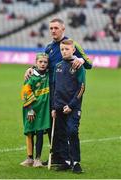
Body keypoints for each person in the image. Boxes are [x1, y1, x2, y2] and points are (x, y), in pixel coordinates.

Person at [24, 18, 92, 166]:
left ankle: (67, 158)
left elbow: (89, 63)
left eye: (56, 28)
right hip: (50, 92)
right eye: (51, 28)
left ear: (63, 29)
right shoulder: (49, 48)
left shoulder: (71, 44)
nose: (53, 30)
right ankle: (57, 156)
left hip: (69, 91)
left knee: (68, 127)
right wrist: (31, 68)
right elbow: (43, 65)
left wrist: (80, 60)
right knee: (52, 125)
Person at [52, 39, 86, 173]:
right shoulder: (58, 66)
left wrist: (71, 105)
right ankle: (66, 161)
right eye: (62, 49)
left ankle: (76, 162)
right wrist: (55, 107)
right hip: (59, 106)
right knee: (61, 134)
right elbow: (55, 87)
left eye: (67, 49)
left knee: (72, 131)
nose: (64, 51)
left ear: (73, 50)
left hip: (73, 106)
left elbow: (81, 88)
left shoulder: (78, 65)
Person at [20, 53, 50, 167]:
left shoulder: (48, 75)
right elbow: (25, 92)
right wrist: (30, 109)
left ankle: (38, 159)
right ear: (36, 63)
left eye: (45, 62)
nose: (43, 64)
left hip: (43, 110)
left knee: (40, 132)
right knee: (29, 132)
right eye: (40, 62)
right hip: (31, 109)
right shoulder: (31, 77)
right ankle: (29, 158)